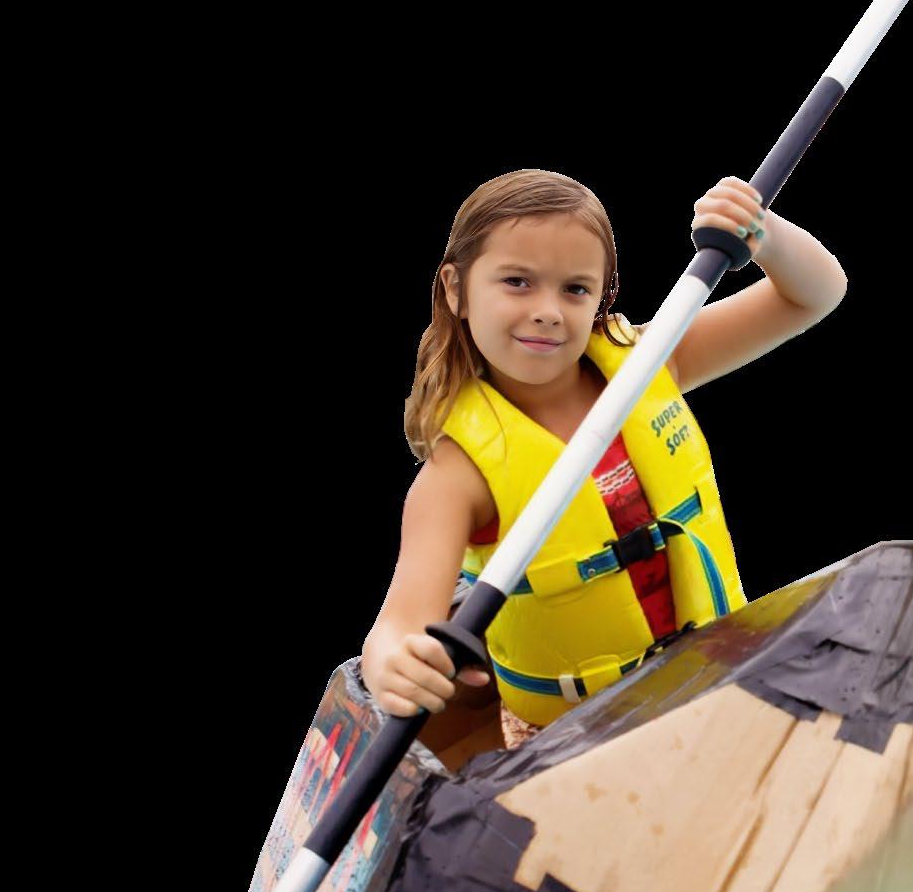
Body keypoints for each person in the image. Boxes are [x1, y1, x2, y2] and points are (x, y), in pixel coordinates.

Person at [360, 169, 847, 750]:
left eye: (575, 289)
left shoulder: (648, 364)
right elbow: (398, 626)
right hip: (574, 741)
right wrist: (394, 663)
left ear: (601, 298)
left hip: (713, 682)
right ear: (455, 289)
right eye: (517, 281)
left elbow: (814, 295)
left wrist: (762, 233)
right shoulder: (456, 476)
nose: (548, 310)